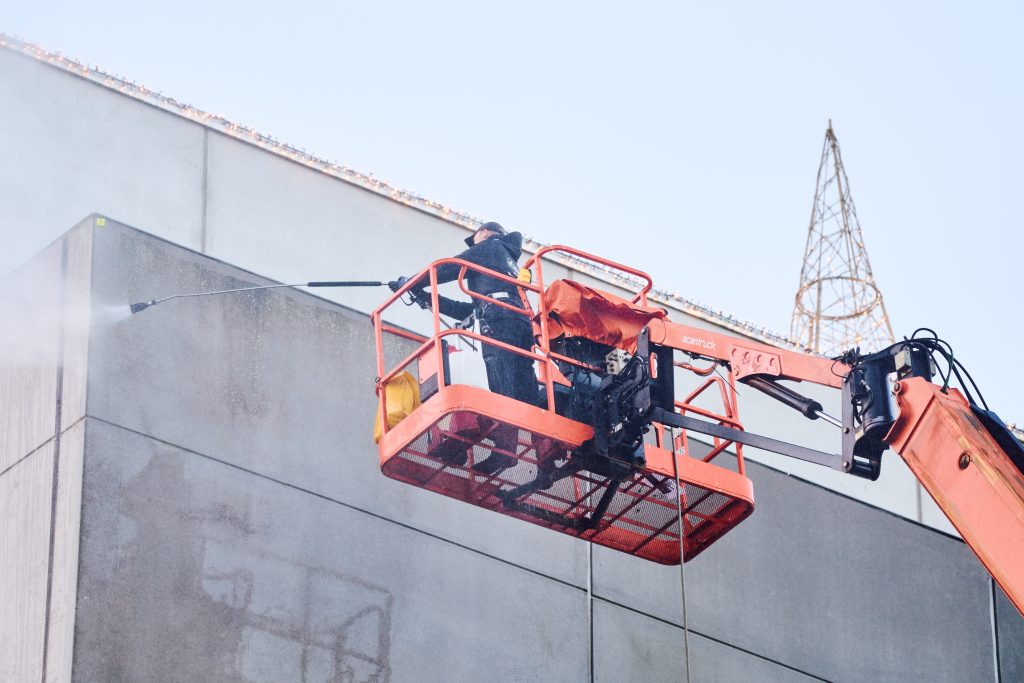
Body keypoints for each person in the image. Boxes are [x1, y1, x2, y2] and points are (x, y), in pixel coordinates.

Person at [391, 221, 537, 474]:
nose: (473, 244)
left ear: (484, 233)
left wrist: (411, 282)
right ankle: (538, 455)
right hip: (518, 321)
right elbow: (469, 310)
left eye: (475, 239)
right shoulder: (507, 263)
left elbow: (448, 267)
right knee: (520, 384)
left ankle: (506, 450)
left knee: (500, 381)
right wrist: (425, 296)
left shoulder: (490, 247)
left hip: (499, 319)